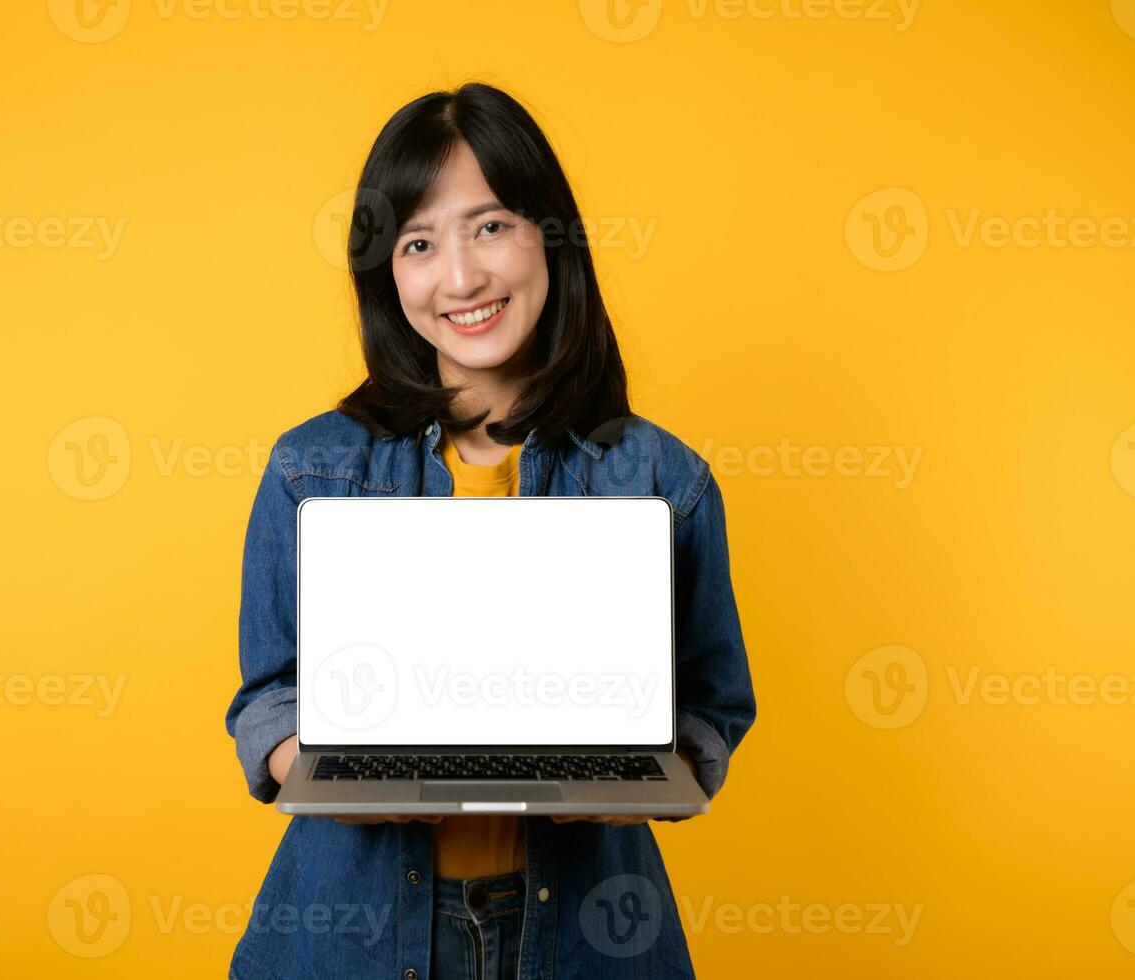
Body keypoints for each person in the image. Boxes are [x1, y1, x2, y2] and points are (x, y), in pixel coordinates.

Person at [224, 81, 755, 979]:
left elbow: (714, 707)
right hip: (348, 936)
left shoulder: (663, 478)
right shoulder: (311, 470)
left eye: (492, 226)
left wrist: (653, 777)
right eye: (420, 243)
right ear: (387, 274)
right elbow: (266, 695)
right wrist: (317, 767)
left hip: (588, 938)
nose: (461, 277)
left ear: (550, 234)